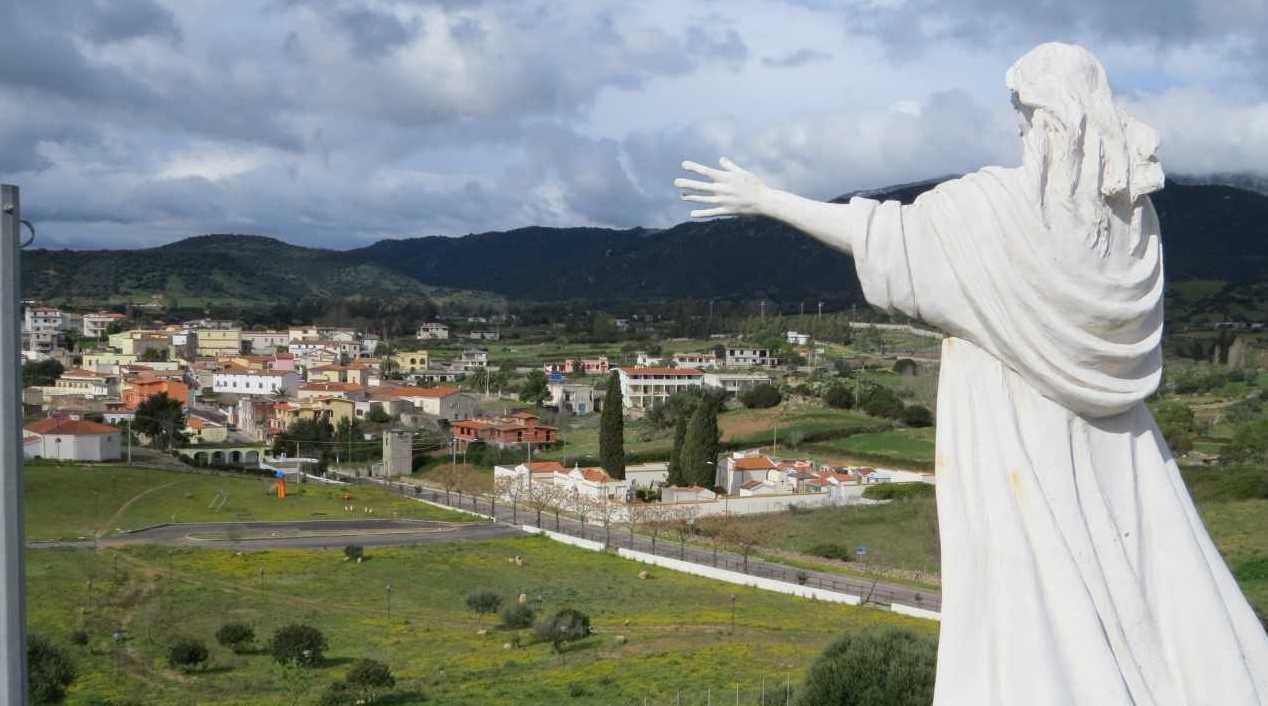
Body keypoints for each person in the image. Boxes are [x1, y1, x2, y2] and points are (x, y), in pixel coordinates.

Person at [676, 42, 1268, 705]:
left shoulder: (995, 208)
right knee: (1138, 589)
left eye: (1024, 115)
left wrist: (767, 199)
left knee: (1028, 601)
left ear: (1049, 121)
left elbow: (882, 235)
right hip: (1118, 447)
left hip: (1011, 431)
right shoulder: (1133, 227)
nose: (1019, 130)